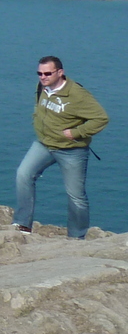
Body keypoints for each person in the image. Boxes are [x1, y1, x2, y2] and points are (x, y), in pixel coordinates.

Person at [14, 56, 108, 238]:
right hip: (44, 144)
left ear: (60, 72)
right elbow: (39, 106)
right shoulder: (42, 87)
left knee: (76, 197)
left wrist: (76, 133)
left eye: (48, 73)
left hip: (71, 150)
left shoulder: (78, 95)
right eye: (39, 73)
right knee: (23, 175)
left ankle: (76, 237)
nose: (43, 77)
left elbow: (101, 118)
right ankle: (23, 225)